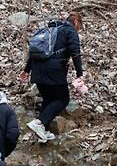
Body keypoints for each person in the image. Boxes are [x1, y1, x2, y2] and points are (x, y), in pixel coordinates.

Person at [21, 12, 85, 142]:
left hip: (37, 70)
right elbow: (75, 53)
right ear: (76, 22)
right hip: (53, 71)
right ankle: (39, 123)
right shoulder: (70, 31)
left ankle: (43, 132)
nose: (78, 30)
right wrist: (80, 74)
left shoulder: (49, 30)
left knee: (49, 99)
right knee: (63, 99)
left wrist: (27, 70)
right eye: (79, 27)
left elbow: (37, 50)